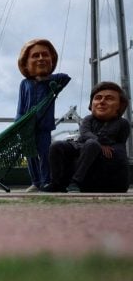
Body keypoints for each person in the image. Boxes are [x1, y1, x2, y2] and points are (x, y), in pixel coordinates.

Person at [45, 81, 130, 193]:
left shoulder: (122, 123)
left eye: (109, 99)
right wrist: (99, 142)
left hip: (99, 149)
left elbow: (120, 142)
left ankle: (75, 182)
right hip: (81, 146)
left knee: (92, 144)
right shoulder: (88, 119)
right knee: (56, 146)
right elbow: (85, 133)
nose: (102, 102)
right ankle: (56, 183)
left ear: (120, 105)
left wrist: (101, 145)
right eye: (98, 98)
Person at [16, 38, 71, 192]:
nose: (41, 58)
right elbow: (21, 105)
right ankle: (36, 181)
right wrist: (18, 123)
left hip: (43, 126)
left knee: (45, 154)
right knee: (30, 155)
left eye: (45, 55)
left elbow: (65, 78)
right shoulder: (24, 84)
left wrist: (45, 77)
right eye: (35, 56)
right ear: (25, 63)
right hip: (26, 126)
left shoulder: (53, 82)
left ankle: (46, 180)